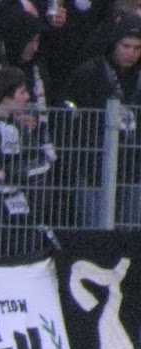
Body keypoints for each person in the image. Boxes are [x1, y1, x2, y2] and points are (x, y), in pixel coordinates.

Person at [63, 17, 141, 228]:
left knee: (129, 233)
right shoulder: (90, 72)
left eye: (137, 48)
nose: (131, 53)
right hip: (92, 169)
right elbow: (72, 118)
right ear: (114, 44)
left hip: (133, 170)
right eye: (126, 46)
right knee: (94, 231)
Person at [0, 65, 54, 259]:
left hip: (19, 212)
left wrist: (8, 173)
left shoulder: (19, 127)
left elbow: (41, 162)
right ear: (6, 96)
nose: (27, 98)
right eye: (22, 92)